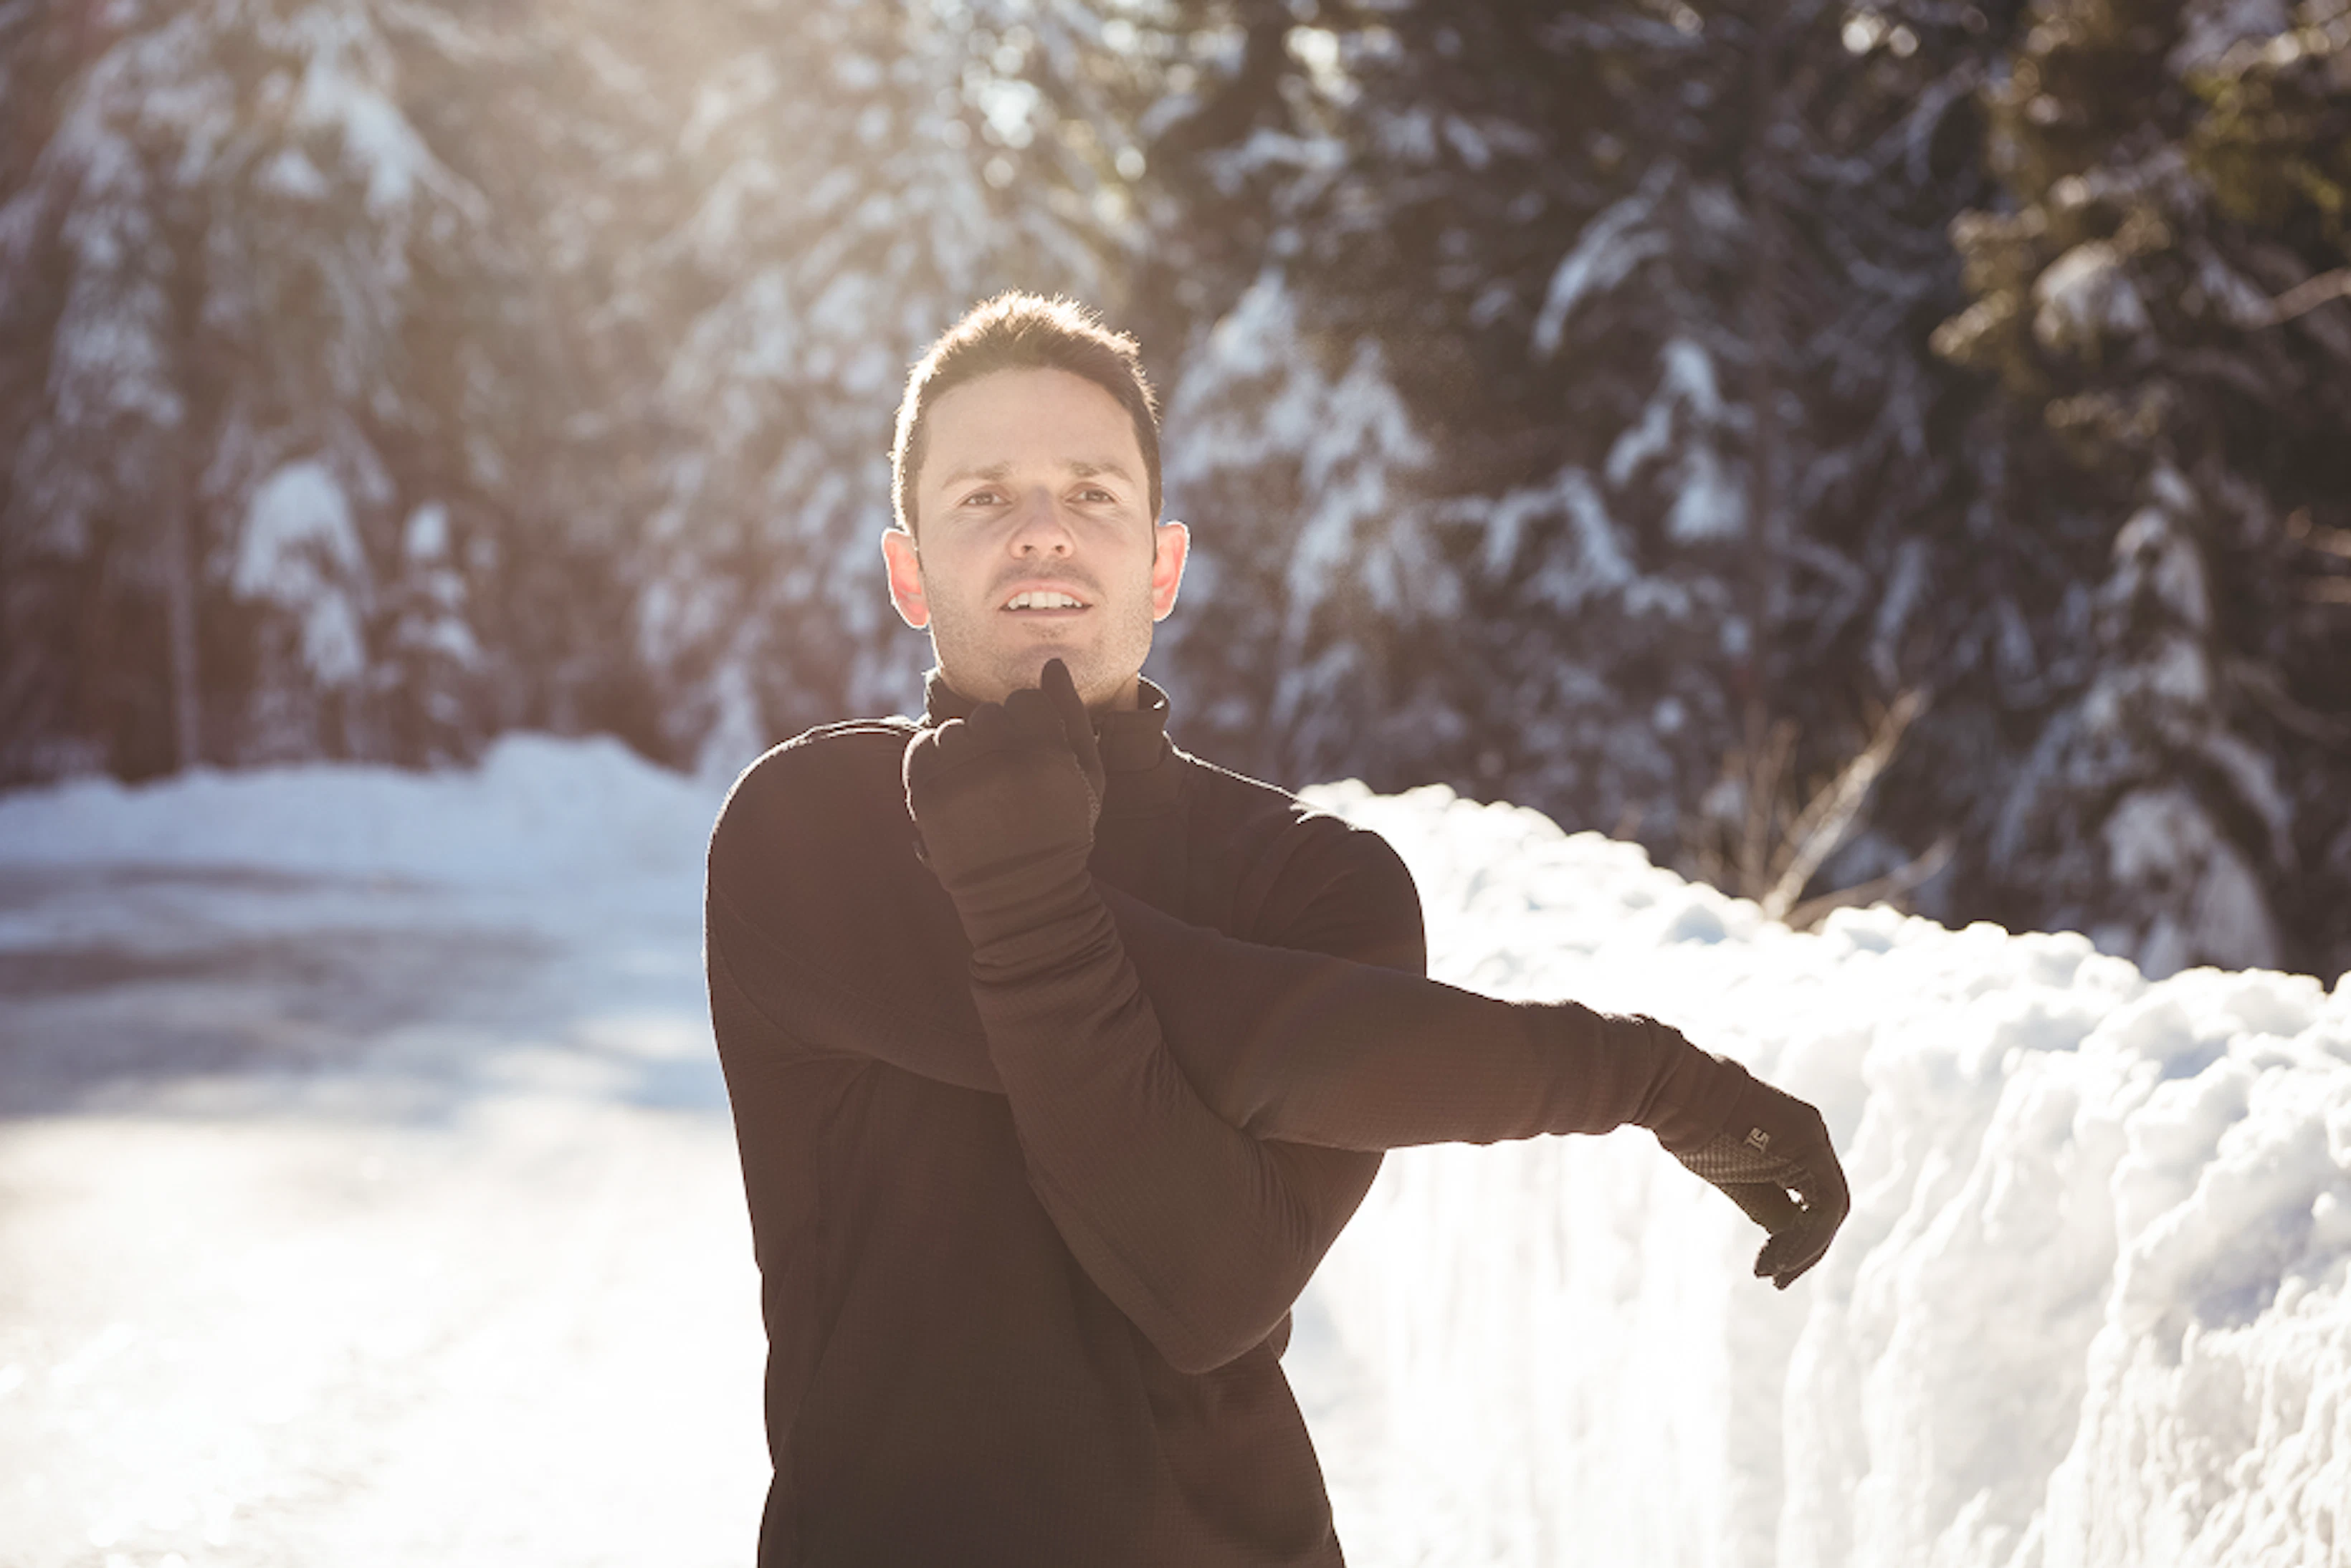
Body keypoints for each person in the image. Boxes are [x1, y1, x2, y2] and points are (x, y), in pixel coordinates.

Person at [704, 292, 1849, 1566]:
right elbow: (1257, 1034)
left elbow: (1208, 1283)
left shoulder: (1315, 883)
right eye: (983, 497)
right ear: (909, 571)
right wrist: (1648, 1078)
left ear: (1162, 564)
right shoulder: (812, 831)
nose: (1041, 532)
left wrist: (1025, 902)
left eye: (1092, 494)